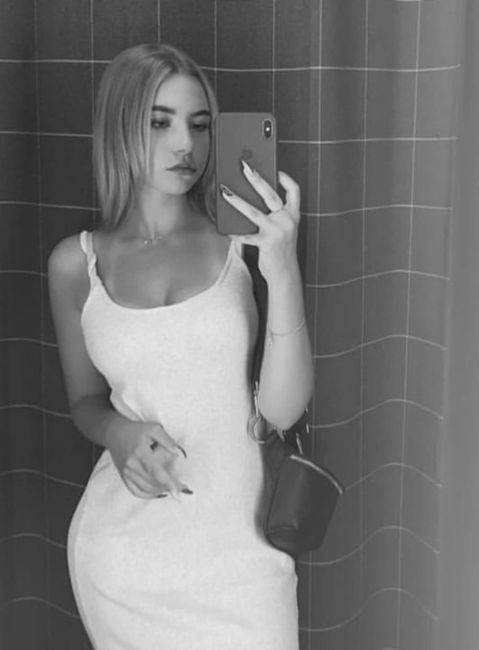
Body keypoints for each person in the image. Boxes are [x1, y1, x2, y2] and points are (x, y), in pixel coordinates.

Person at [47, 43, 313, 649]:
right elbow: (85, 403)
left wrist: (283, 269)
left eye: (199, 124)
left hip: (244, 558)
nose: (185, 144)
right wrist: (118, 434)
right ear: (120, 127)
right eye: (160, 122)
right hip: (123, 561)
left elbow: (282, 410)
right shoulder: (75, 264)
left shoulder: (243, 243)